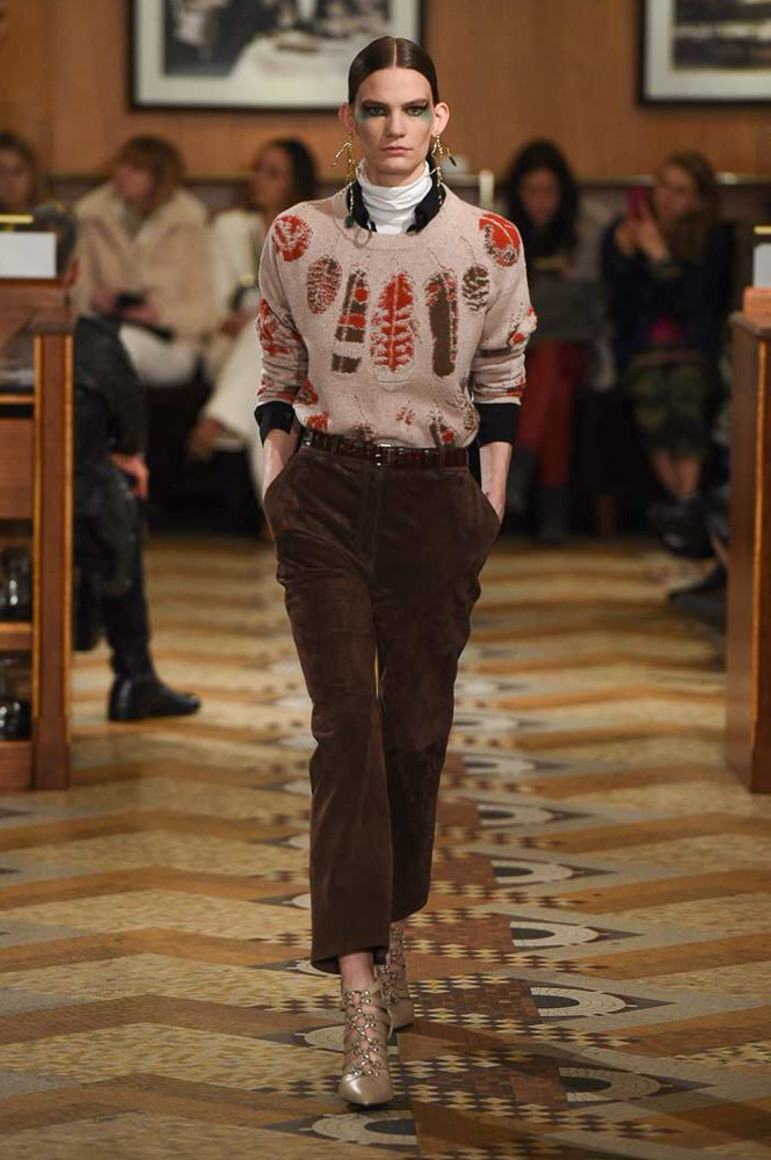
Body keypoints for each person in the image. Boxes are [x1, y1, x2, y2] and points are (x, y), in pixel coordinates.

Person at [256, 36, 535, 1106]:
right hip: (326, 495)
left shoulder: (489, 240)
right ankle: (360, 1000)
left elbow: (502, 377)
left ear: (440, 119)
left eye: (413, 107)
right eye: (375, 108)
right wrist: (279, 483)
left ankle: (389, 918)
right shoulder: (297, 234)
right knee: (347, 731)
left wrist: (487, 504)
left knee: (414, 736)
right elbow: (278, 367)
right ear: (350, 118)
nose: (394, 126)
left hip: (433, 503)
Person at [0, 134, 200, 721]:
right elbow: (130, 434)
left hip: (25, 494)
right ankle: (134, 675)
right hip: (75, 502)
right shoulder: (90, 343)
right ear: (73, 273)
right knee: (121, 491)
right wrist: (124, 458)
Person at [601, 151, 732, 517]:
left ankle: (683, 503)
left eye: (680, 191)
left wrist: (661, 260)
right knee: (653, 393)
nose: (667, 197)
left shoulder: (713, 240)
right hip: (642, 350)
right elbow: (620, 307)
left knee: (685, 390)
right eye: (662, 186)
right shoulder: (625, 231)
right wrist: (625, 257)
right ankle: (685, 504)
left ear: (699, 200)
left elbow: (696, 306)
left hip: (694, 348)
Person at [187, 138, 318, 496]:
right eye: (258, 170)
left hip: (295, 354)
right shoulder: (227, 228)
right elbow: (209, 299)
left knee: (268, 362)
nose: (259, 179)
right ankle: (275, 509)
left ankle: (219, 421)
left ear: (295, 182)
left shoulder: (313, 231)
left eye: (273, 173)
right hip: (229, 348)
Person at [503, 140, 607, 544]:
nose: (541, 201)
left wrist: (548, 295)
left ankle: (519, 469)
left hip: (577, 349)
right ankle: (553, 508)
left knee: (552, 355)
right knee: (556, 390)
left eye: (549, 191)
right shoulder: (502, 232)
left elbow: (590, 312)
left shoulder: (586, 232)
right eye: (532, 191)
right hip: (520, 353)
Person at [72, 135, 214, 387]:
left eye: (136, 169)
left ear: (159, 177)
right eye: (122, 165)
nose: (123, 174)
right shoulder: (91, 217)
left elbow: (206, 312)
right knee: (106, 347)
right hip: (104, 329)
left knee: (121, 346)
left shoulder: (189, 222)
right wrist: (97, 301)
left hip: (173, 343)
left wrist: (158, 314)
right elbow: (74, 295)